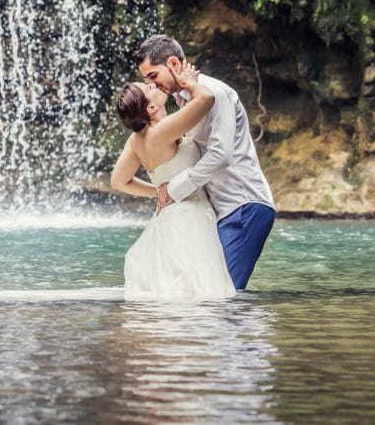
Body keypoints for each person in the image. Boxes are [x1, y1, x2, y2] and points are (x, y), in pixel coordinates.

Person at [134, 35, 275, 290]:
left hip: (243, 205)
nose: (152, 85)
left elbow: (221, 156)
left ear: (174, 64)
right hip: (221, 210)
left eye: (153, 76)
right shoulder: (184, 99)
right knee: (208, 290)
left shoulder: (216, 94)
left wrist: (173, 191)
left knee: (222, 294)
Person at [111, 62, 237, 301]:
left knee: (177, 292)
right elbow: (206, 99)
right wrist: (190, 83)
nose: (153, 84)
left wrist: (158, 193)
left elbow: (118, 181)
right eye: (149, 88)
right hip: (189, 219)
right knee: (199, 293)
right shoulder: (162, 130)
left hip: (166, 220)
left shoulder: (136, 139)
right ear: (150, 107)